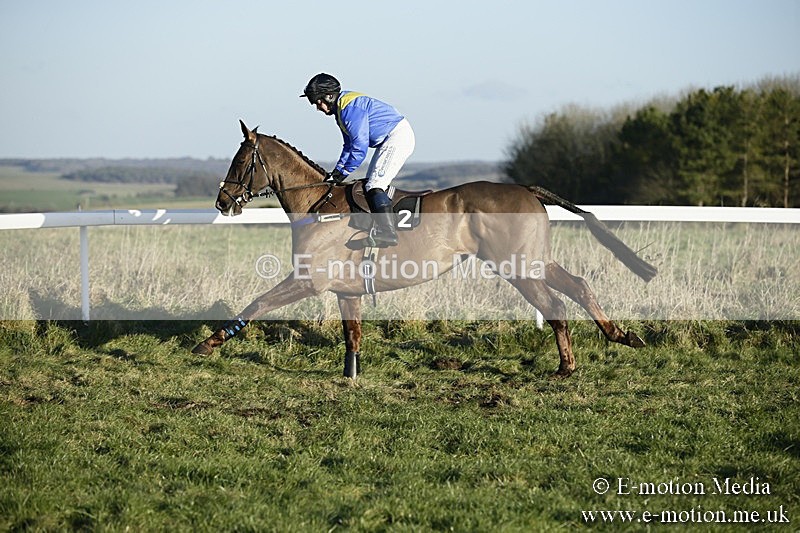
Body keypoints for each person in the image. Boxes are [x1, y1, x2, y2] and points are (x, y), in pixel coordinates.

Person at [300, 73, 415, 247]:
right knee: (370, 184)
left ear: (329, 96)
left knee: (375, 185)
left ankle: (388, 233)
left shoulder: (349, 110)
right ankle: (379, 226)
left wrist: (342, 173)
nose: (318, 107)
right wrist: (337, 172)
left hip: (396, 136)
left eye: (318, 101)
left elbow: (359, 149)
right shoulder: (342, 110)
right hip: (388, 138)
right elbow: (348, 146)